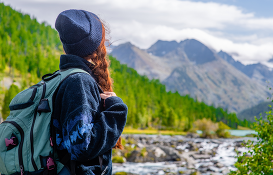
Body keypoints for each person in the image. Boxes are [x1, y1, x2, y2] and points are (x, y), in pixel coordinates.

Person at [52, 9, 128, 175]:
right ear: (96, 45)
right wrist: (116, 112)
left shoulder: (59, 78)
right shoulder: (79, 82)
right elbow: (81, 147)